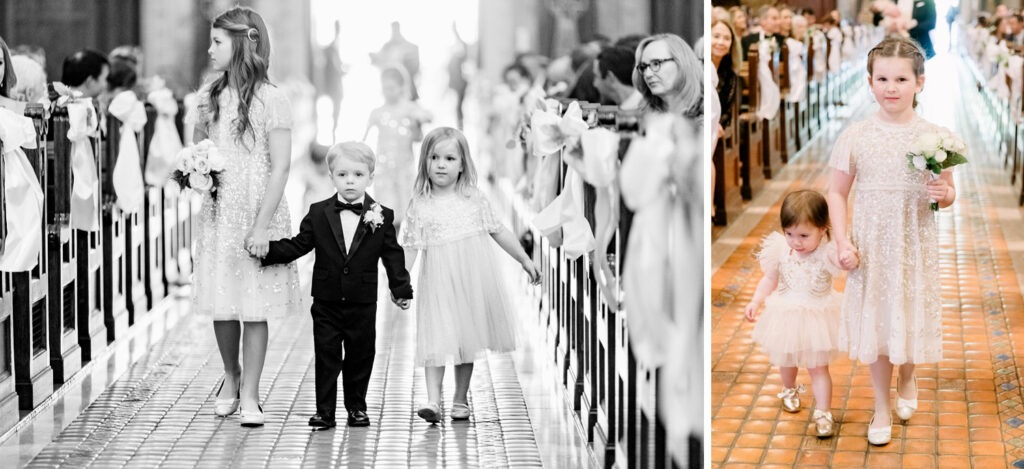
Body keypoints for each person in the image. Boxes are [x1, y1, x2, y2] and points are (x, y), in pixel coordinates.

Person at [826, 36, 958, 446]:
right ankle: (881, 406)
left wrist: (944, 194)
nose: (891, 87)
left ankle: (909, 375)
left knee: (910, 313)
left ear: (920, 82)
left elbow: (949, 192)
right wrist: (842, 241)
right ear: (870, 81)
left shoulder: (936, 136)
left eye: (901, 78)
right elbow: (836, 192)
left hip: (912, 244)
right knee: (879, 325)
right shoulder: (856, 135)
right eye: (882, 78)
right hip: (870, 246)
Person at [191, 6, 302, 427]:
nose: (210, 48)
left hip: (260, 209)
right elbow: (198, 152)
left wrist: (261, 225)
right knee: (224, 302)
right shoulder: (208, 97)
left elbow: (281, 166)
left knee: (255, 307)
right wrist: (194, 171)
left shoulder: (273, 99)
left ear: (244, 42)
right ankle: (230, 376)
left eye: (218, 41)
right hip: (221, 211)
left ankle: (252, 392)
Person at [259, 142, 413, 428]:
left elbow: (392, 255)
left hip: (363, 302)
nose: (350, 180)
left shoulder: (382, 215)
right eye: (342, 175)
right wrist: (266, 251)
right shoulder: (318, 212)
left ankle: (357, 407)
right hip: (326, 301)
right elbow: (300, 244)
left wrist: (400, 288)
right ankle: (325, 411)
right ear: (331, 177)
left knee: (360, 355)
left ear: (370, 177)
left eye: (357, 174)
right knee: (327, 355)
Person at [400, 127, 540, 422]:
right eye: (434, 157)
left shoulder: (473, 198)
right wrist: (399, 282)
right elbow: (410, 247)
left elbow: (498, 231)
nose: (440, 164)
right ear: (424, 161)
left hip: (470, 280)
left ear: (463, 164)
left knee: (466, 339)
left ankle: (460, 398)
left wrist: (524, 258)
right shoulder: (420, 203)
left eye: (449, 158)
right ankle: (432, 400)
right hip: (436, 282)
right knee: (435, 337)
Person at [744, 190, 846, 438]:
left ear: (823, 229)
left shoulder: (828, 253)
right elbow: (770, 279)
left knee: (818, 367)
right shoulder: (781, 250)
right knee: (786, 360)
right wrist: (756, 300)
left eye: (803, 235)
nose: (795, 242)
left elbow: (848, 270)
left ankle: (823, 412)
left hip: (817, 318)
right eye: (789, 234)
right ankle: (789, 389)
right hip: (786, 314)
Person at [363, 66, 432, 226]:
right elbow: (365, 138)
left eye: (391, 88)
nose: (387, 92)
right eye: (384, 88)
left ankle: (403, 240)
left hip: (403, 165)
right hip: (383, 166)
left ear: (401, 87)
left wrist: (417, 121)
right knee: (385, 205)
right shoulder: (378, 112)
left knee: (405, 203)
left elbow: (418, 135)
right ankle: (387, 239)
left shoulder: (409, 108)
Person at [632, 33, 703, 120]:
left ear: (681, 63)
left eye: (656, 63)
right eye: (643, 67)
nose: (647, 74)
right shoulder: (642, 115)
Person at [371, 22, 421, 101]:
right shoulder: (386, 47)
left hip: (407, 84)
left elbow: (416, 67)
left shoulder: (410, 47)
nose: (394, 32)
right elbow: (379, 62)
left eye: (396, 29)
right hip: (391, 84)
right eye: (393, 29)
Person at [594, 45, 644, 110]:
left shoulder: (642, 110)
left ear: (610, 77)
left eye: (596, 76)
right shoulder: (637, 105)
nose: (594, 84)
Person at [322, 20, 346, 141]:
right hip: (333, 84)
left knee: (337, 110)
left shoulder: (336, 45)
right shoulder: (332, 47)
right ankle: (333, 136)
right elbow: (337, 67)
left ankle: (334, 135)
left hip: (335, 84)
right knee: (335, 110)